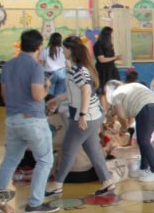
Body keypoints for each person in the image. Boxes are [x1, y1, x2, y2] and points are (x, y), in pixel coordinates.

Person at [0, 30, 57, 213]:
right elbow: (37, 95)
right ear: (39, 47)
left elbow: (4, 95)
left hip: (12, 120)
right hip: (33, 120)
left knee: (10, 160)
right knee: (44, 160)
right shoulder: (35, 67)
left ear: (21, 44)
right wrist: (47, 87)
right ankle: (35, 203)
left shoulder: (8, 65)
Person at [44, 37, 117, 197]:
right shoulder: (79, 69)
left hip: (85, 117)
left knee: (68, 150)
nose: (63, 51)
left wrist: (82, 115)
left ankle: (57, 184)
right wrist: (56, 99)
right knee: (93, 150)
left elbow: (86, 91)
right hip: (93, 116)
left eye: (64, 49)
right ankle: (107, 181)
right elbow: (75, 92)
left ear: (71, 51)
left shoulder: (78, 70)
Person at [106, 79, 154, 183]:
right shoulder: (131, 87)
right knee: (143, 140)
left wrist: (123, 128)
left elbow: (121, 115)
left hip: (147, 108)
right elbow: (121, 112)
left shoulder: (116, 94)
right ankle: (143, 169)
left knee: (143, 141)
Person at [92, 26, 120, 91]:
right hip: (103, 71)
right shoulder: (98, 45)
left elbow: (109, 58)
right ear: (107, 35)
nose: (113, 36)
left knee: (115, 88)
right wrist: (115, 57)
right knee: (104, 89)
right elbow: (101, 59)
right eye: (112, 34)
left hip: (111, 69)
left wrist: (115, 58)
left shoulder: (109, 45)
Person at [39, 32, 66, 97]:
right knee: (58, 97)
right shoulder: (63, 50)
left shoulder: (45, 50)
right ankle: (56, 104)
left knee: (49, 96)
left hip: (49, 75)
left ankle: (49, 103)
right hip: (62, 73)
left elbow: (41, 64)